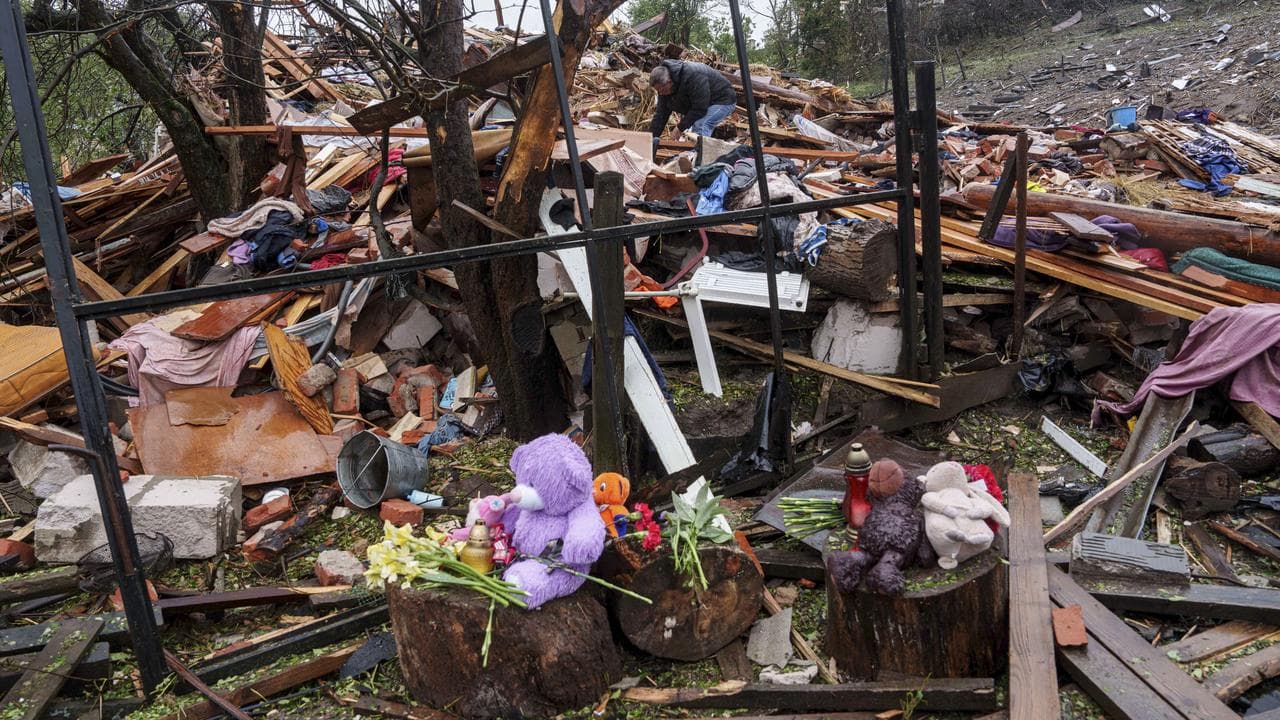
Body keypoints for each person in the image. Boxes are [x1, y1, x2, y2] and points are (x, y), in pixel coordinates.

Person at [648, 60, 737, 147]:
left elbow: (700, 108)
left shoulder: (693, 74)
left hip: (723, 99)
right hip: (703, 102)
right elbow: (660, 116)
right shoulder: (663, 89)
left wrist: (679, 128)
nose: (661, 94)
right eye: (658, 91)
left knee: (701, 125)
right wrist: (648, 139)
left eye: (662, 90)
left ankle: (701, 158)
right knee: (694, 130)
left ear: (669, 82)